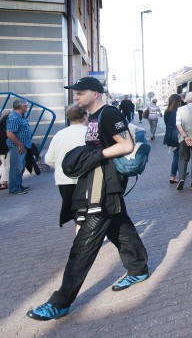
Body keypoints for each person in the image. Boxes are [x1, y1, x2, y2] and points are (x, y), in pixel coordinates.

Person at [27, 76, 149, 321]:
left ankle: (60, 302)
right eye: (74, 92)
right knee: (119, 226)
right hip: (99, 185)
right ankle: (138, 268)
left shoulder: (110, 113)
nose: (75, 95)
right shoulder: (94, 117)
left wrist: (96, 155)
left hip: (102, 189)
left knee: (82, 246)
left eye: (80, 92)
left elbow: (126, 144)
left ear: (95, 93)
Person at [44, 105, 88, 232]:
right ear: (85, 116)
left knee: (76, 213)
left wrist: (60, 166)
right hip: (86, 178)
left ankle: (80, 237)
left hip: (64, 180)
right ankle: (85, 241)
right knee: (89, 210)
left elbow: (49, 159)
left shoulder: (59, 134)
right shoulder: (89, 133)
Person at [5, 99, 32, 195]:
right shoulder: (14, 117)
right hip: (17, 147)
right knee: (16, 167)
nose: (27, 107)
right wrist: (20, 144)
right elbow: (9, 133)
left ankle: (18, 186)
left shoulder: (21, 116)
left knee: (20, 167)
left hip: (22, 145)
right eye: (25, 106)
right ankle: (14, 189)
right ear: (21, 107)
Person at [163, 94, 182, 184]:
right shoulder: (177, 112)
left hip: (169, 136)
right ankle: (173, 176)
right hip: (176, 136)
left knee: (176, 155)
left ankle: (181, 172)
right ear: (177, 101)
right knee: (177, 156)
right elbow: (179, 125)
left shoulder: (167, 111)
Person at [0, 109, 10, 190]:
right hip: (4, 147)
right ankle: (3, 183)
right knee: (6, 165)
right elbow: (6, 135)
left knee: (2, 164)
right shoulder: (7, 122)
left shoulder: (1, 121)